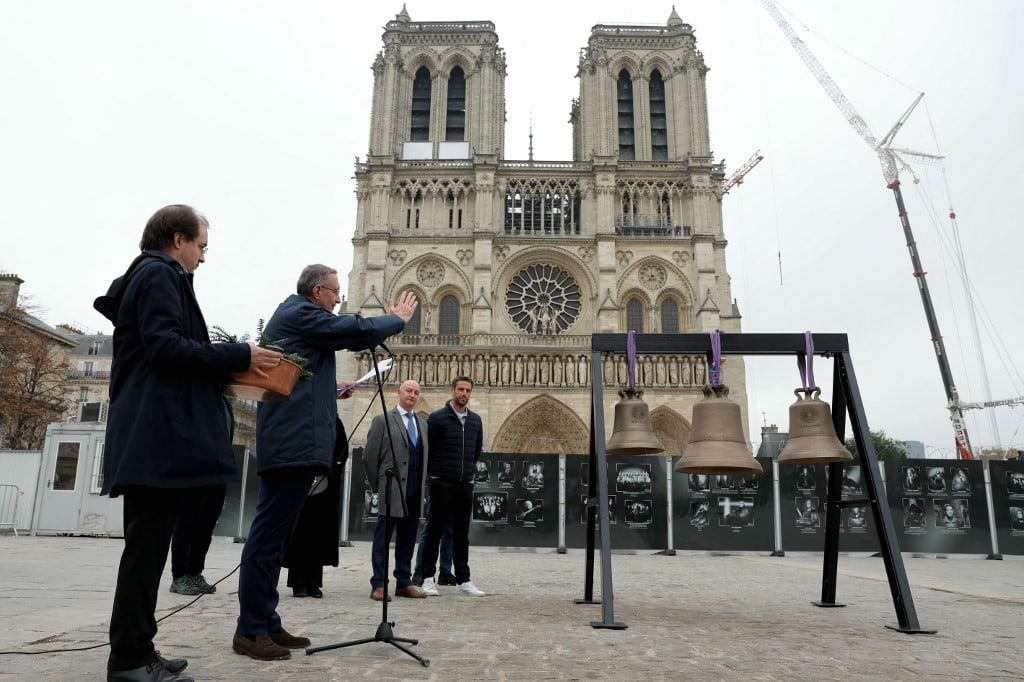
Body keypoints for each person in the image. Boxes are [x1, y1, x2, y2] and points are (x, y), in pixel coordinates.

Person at [95, 204, 284, 682]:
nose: (203, 256)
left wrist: (230, 368)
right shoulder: (159, 275)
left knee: (150, 549)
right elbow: (167, 348)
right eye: (201, 245)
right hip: (154, 438)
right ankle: (130, 661)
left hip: (152, 435)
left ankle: (140, 650)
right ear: (177, 239)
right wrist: (240, 353)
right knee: (145, 551)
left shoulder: (157, 277)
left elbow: (172, 351)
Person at [233, 265, 416, 662]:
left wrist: (330, 390)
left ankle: (266, 620)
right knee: (266, 541)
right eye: (334, 292)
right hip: (290, 445)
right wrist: (396, 321)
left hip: (294, 441)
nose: (338, 299)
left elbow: (296, 375)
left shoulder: (299, 316)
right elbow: (350, 332)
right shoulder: (301, 313)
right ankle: (250, 630)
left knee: (277, 539)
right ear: (317, 291)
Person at [419, 376, 486, 597]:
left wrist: (466, 471)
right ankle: (427, 578)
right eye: (460, 389)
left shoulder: (476, 420)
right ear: (452, 391)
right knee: (434, 531)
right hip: (441, 482)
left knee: (461, 533)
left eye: (467, 390)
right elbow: (428, 449)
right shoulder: (437, 418)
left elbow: (476, 451)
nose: (463, 393)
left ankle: (463, 579)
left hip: (464, 482)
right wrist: (436, 473)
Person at [364, 380, 429, 601]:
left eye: (416, 392)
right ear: (398, 393)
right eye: (409, 391)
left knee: (408, 538)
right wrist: (379, 486)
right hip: (391, 488)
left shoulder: (422, 424)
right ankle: (379, 584)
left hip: (414, 490)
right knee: (383, 539)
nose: (412, 395)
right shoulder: (383, 419)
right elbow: (369, 456)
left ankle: (403, 581)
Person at [281, 418, 349, 598]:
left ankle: (314, 582)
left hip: (325, 484)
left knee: (318, 534)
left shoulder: (333, 421)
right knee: (300, 534)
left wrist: (336, 465)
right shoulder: (301, 418)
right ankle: (297, 582)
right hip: (301, 481)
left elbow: (342, 447)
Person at [168, 485, 227, 596]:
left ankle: (194, 572)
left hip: (219, 475)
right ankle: (179, 576)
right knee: (186, 525)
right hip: (194, 477)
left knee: (206, 528)